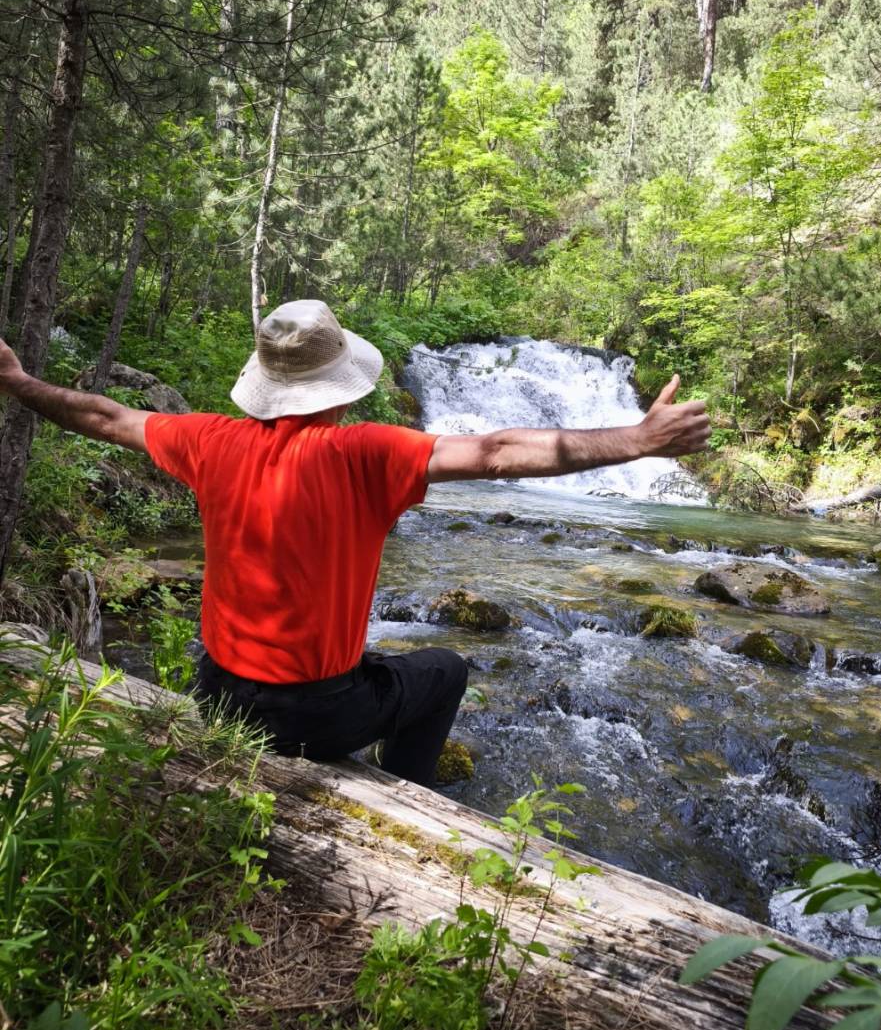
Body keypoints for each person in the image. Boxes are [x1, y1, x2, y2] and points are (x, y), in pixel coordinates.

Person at [0, 300, 711, 786]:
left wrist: (18, 381)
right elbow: (496, 452)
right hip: (316, 716)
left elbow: (104, 414)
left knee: (363, 662)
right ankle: (408, 799)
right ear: (339, 383)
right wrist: (639, 440)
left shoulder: (209, 440)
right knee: (446, 669)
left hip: (216, 694)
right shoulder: (367, 453)